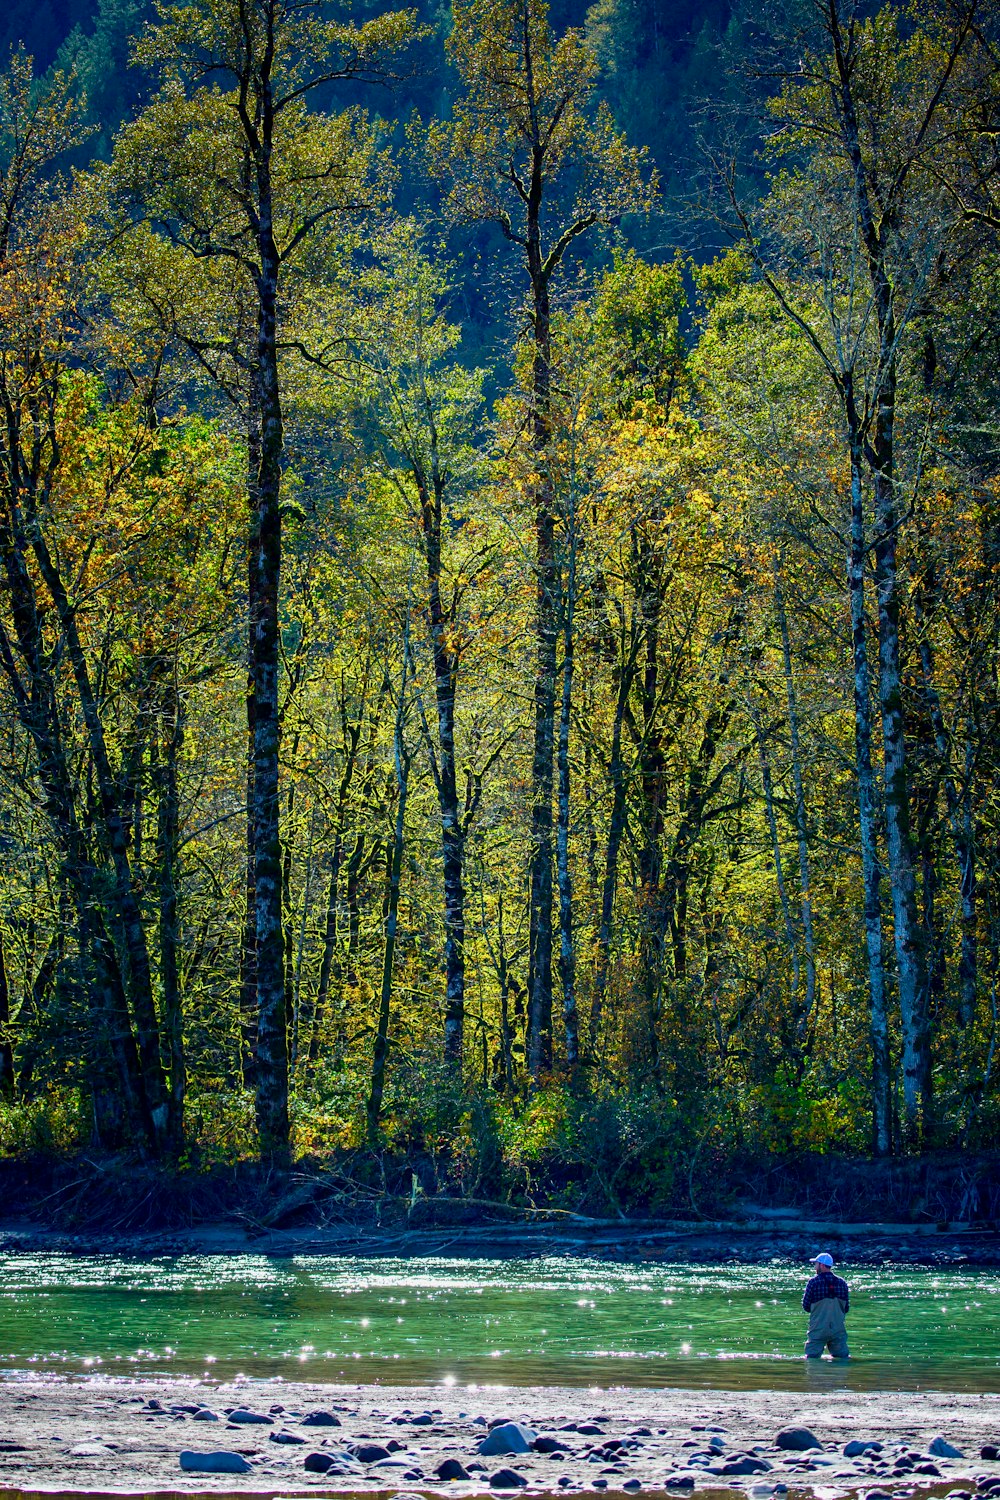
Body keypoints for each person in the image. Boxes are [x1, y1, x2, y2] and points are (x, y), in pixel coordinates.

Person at [802, 1251, 850, 1359]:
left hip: (818, 1328)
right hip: (838, 1329)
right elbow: (846, 1308)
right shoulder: (842, 1283)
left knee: (812, 1359)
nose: (815, 1267)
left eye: (816, 1264)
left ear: (822, 1265)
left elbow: (806, 1306)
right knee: (842, 1360)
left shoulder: (813, 1282)